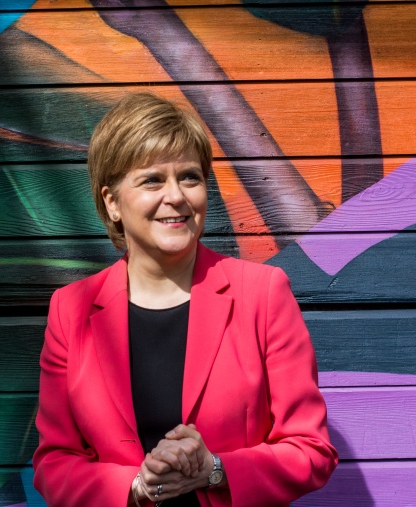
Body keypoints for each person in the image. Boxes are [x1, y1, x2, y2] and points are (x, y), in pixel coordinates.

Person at [32, 92, 338, 506]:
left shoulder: (262, 294)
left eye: (190, 177)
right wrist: (135, 487)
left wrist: (213, 469)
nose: (176, 196)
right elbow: (54, 463)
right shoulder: (71, 310)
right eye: (153, 179)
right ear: (112, 202)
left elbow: (311, 450)